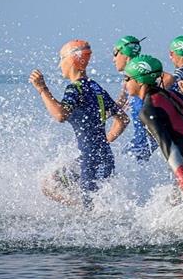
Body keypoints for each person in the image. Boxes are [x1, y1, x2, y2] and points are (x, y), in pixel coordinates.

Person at [29, 40, 129, 207]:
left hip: (89, 161)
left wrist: (42, 89)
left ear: (71, 60)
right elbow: (123, 119)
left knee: (88, 209)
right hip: (102, 157)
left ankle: (79, 209)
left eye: (61, 58)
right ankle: (79, 208)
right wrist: (105, 141)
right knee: (49, 184)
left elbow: (60, 115)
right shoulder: (95, 87)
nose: (59, 64)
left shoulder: (74, 89)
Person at [124, 55, 183, 202]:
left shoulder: (148, 110)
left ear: (139, 80)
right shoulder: (171, 94)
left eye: (127, 79)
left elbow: (169, 147)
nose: (125, 84)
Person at [111, 35, 157, 161]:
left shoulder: (140, 70)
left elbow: (169, 78)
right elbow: (121, 101)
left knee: (121, 165)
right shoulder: (129, 76)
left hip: (146, 140)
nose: (113, 59)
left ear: (124, 53)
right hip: (142, 139)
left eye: (115, 54)